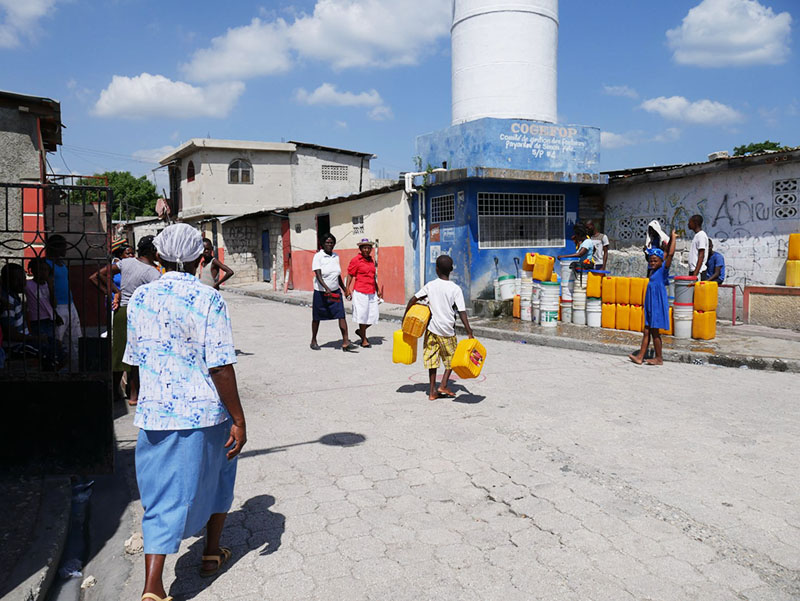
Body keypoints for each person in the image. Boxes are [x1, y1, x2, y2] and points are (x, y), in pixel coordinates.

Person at [124, 223, 246, 601]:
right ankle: (210, 553)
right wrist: (239, 420)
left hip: (156, 414)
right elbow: (221, 366)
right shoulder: (210, 299)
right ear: (201, 257)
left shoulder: (140, 298)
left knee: (160, 495)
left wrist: (141, 400)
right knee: (220, 476)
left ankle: (152, 587)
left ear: (158, 257)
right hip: (206, 413)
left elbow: (136, 361)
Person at [91, 236, 161, 405]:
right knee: (139, 354)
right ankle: (134, 395)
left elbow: (96, 276)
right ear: (152, 251)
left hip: (122, 312)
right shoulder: (153, 273)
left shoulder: (126, 263)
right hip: (141, 314)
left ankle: (114, 392)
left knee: (119, 353)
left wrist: (114, 293)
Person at [404, 255, 474, 400]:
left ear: (436, 269)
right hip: (447, 330)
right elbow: (462, 312)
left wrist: (405, 318)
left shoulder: (430, 285)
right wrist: (469, 331)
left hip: (432, 330)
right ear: (452, 269)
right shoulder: (455, 289)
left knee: (432, 360)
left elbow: (413, 299)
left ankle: (432, 391)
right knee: (452, 359)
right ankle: (443, 384)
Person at [629, 230, 677, 366]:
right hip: (650, 303)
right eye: (650, 261)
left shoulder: (663, 270)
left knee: (654, 332)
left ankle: (659, 358)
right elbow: (664, 253)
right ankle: (640, 357)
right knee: (646, 330)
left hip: (656, 303)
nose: (652, 263)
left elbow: (670, 254)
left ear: (661, 261)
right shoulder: (653, 270)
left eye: (655, 261)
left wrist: (673, 238)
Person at [310, 233, 358, 352]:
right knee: (317, 317)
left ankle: (346, 342)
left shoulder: (336, 256)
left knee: (341, 315)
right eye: (327, 242)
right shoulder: (318, 256)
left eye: (331, 243)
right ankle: (314, 340)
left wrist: (344, 289)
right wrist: (326, 288)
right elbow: (318, 274)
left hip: (335, 292)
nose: (329, 245)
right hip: (321, 293)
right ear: (322, 244)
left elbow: (337, 275)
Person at [45, 235, 82, 370]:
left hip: (70, 304)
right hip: (58, 306)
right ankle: (58, 370)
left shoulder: (61, 263)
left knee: (75, 339)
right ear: (56, 247)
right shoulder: (47, 264)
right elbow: (47, 286)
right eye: (63, 246)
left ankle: (76, 368)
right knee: (57, 340)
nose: (65, 249)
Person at [25, 258, 63, 366]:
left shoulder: (48, 285)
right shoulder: (28, 285)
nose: (43, 273)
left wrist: (51, 288)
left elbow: (53, 304)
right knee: (43, 346)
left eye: (46, 270)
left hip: (50, 319)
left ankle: (50, 366)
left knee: (53, 345)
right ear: (33, 271)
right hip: (37, 320)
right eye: (40, 270)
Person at [345, 238, 382, 348]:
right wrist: (347, 288)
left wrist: (378, 289)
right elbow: (350, 274)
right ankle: (364, 339)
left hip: (371, 291)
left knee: (373, 316)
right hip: (360, 291)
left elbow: (372, 277)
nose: (366, 249)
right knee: (363, 315)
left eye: (368, 247)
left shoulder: (371, 260)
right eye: (364, 247)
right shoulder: (356, 260)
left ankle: (362, 331)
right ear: (360, 249)